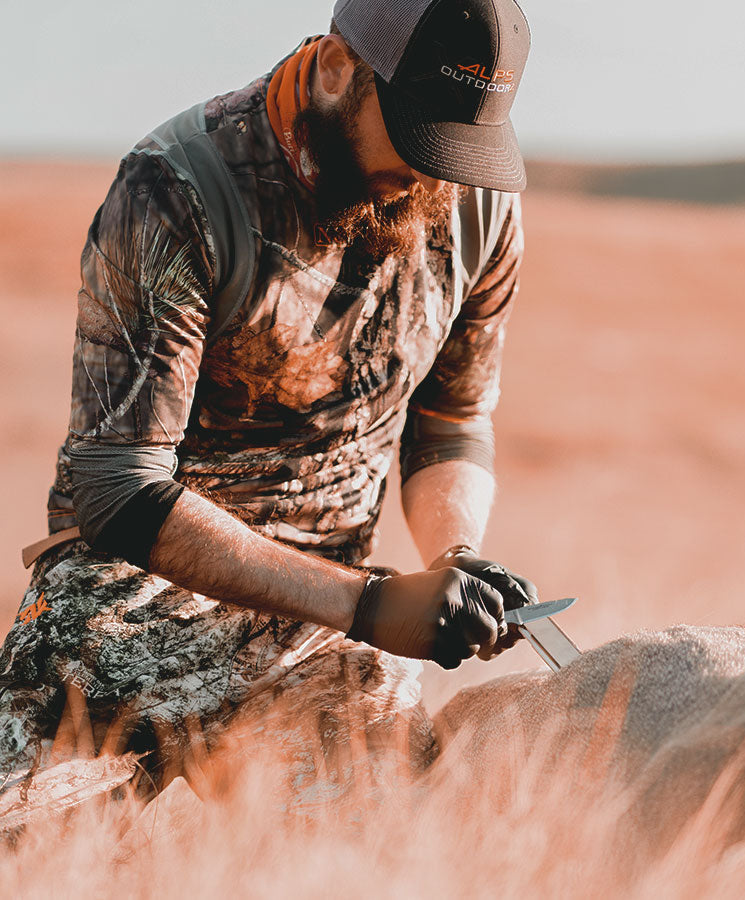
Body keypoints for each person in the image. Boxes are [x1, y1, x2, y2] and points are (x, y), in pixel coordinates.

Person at [0, 0, 535, 794]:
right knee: (35, 854)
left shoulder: (475, 202)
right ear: (335, 71)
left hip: (322, 634)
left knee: (397, 852)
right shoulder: (177, 189)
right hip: (118, 616)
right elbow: (118, 490)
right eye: (420, 130)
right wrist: (375, 606)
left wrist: (454, 557)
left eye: (462, 144)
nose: (435, 173)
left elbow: (452, 421)